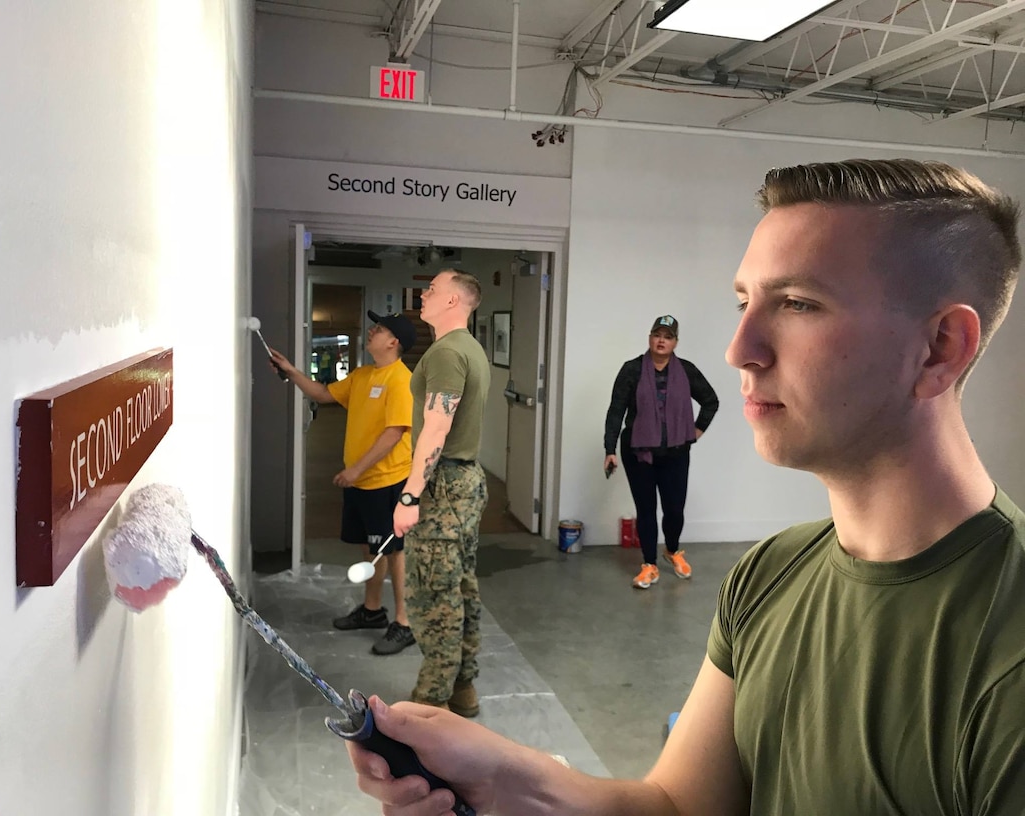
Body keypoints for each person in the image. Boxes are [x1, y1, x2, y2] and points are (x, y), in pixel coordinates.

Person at [345, 158, 1025, 814]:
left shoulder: (1007, 652)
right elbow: (675, 805)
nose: (739, 349)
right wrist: (509, 783)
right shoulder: (767, 575)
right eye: (744, 301)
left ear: (940, 347)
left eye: (798, 303)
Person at [269, 311, 418, 656]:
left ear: (393, 342)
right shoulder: (363, 375)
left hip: (387, 480)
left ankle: (404, 623)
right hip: (362, 481)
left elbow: (394, 433)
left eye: (379, 329)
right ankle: (372, 610)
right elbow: (324, 394)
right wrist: (292, 371)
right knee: (371, 547)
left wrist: (355, 470)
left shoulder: (401, 380)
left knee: (395, 551)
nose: (371, 331)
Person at [392, 269, 490, 717]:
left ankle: (430, 706)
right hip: (464, 483)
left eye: (431, 289)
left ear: (453, 300)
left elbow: (436, 427)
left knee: (434, 598)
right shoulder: (468, 348)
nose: (423, 295)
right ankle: (462, 689)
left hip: (444, 487)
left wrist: (410, 495)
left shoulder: (449, 353)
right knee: (460, 586)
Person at [604, 315, 719, 586]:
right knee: (646, 509)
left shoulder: (686, 371)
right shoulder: (632, 370)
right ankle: (649, 564)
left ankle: (672, 551)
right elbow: (616, 410)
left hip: (676, 453)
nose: (661, 341)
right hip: (639, 453)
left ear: (675, 342)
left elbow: (711, 401)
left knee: (674, 509)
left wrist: (695, 432)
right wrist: (609, 449)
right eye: (657, 335)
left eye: (668, 337)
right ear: (650, 338)